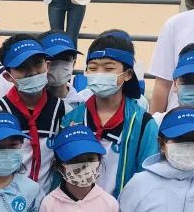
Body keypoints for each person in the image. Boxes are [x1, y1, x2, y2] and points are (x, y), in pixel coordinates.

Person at [62, 30, 157, 198]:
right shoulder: (71, 120)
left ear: (128, 74)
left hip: (125, 210)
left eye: (109, 68)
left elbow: (148, 179)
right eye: (93, 68)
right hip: (78, 209)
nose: (99, 74)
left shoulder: (143, 124)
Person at [0, 35, 67, 194]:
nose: (32, 72)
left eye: (38, 63)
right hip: (7, 197)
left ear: (47, 65)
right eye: (22, 67)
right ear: (8, 76)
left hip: (47, 199)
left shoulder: (63, 110)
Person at [36, 125, 120, 212]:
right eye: (75, 161)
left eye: (90, 159)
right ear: (59, 166)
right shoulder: (49, 203)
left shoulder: (110, 203)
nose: (84, 167)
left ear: (99, 160)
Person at [40, 31, 84, 107]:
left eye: (65, 58)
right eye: (51, 58)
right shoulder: (29, 102)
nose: (59, 64)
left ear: (73, 63)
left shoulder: (82, 106)